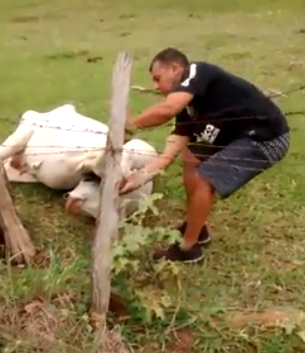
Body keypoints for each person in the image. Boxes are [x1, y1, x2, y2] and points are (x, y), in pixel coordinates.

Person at [119, 47, 290, 263]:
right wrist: (141, 175)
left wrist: (129, 125)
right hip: (237, 137)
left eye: (157, 78)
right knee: (191, 156)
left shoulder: (198, 71)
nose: (155, 86)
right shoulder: (187, 109)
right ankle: (197, 229)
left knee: (203, 178)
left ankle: (187, 249)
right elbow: (167, 156)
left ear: (175, 68)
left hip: (266, 137)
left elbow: (167, 109)